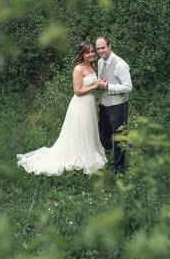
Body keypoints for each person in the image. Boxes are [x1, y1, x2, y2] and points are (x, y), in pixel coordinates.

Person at [17, 41, 107, 175]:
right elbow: (77, 91)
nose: (91, 54)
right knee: (79, 129)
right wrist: (94, 86)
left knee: (87, 129)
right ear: (81, 54)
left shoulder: (92, 67)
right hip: (80, 104)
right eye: (87, 52)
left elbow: (90, 85)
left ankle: (87, 152)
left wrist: (100, 84)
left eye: (92, 51)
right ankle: (76, 155)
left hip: (89, 103)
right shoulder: (78, 69)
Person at [95, 36, 132, 172]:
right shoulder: (100, 62)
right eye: (98, 48)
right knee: (103, 134)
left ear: (109, 46)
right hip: (104, 104)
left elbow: (128, 87)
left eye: (103, 47)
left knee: (119, 137)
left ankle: (119, 169)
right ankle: (105, 160)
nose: (100, 51)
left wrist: (108, 86)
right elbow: (102, 80)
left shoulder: (120, 64)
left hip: (118, 105)